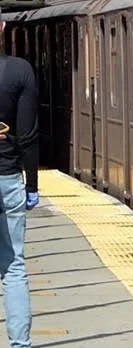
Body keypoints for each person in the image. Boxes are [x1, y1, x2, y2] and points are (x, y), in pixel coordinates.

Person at [0, 20, 39, 348]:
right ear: (1, 27)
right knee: (13, 266)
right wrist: (32, 186)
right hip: (9, 177)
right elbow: (27, 137)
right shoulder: (20, 71)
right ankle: (19, 345)